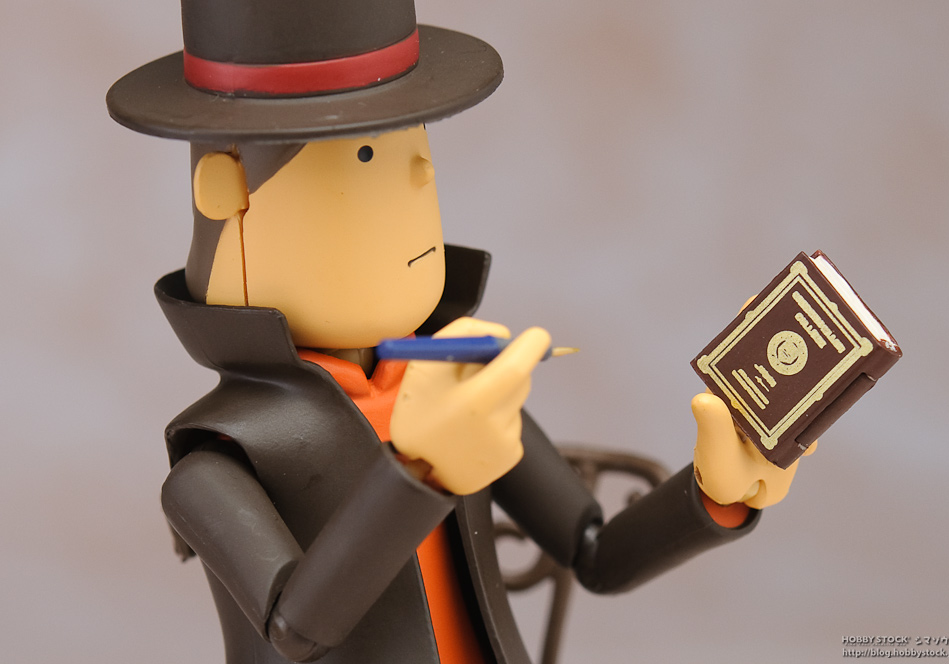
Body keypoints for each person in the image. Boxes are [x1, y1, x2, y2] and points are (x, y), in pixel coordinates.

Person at [108, 1, 810, 662]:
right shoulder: (218, 459)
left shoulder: (456, 391)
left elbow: (595, 553)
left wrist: (713, 496)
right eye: (366, 157)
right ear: (230, 196)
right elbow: (295, 631)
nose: (420, 177)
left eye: (419, 151)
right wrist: (420, 476)